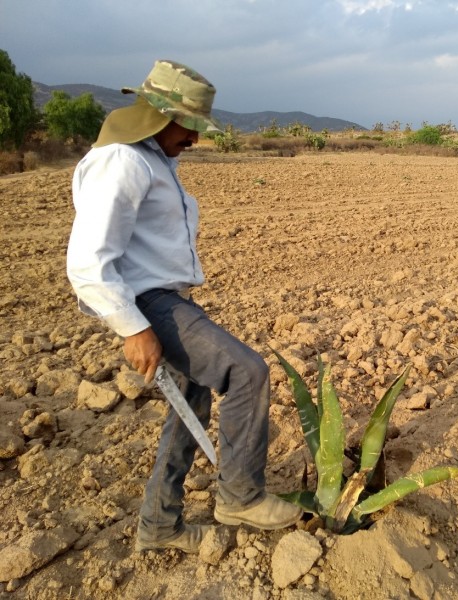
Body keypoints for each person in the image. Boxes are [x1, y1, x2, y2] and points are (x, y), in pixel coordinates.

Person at [66, 60, 302, 554]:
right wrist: (134, 327)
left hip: (166, 300)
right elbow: (88, 261)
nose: (194, 138)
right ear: (161, 116)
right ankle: (239, 496)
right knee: (247, 372)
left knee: (189, 405)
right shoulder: (123, 162)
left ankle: (159, 526)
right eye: (190, 125)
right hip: (150, 304)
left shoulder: (154, 160)